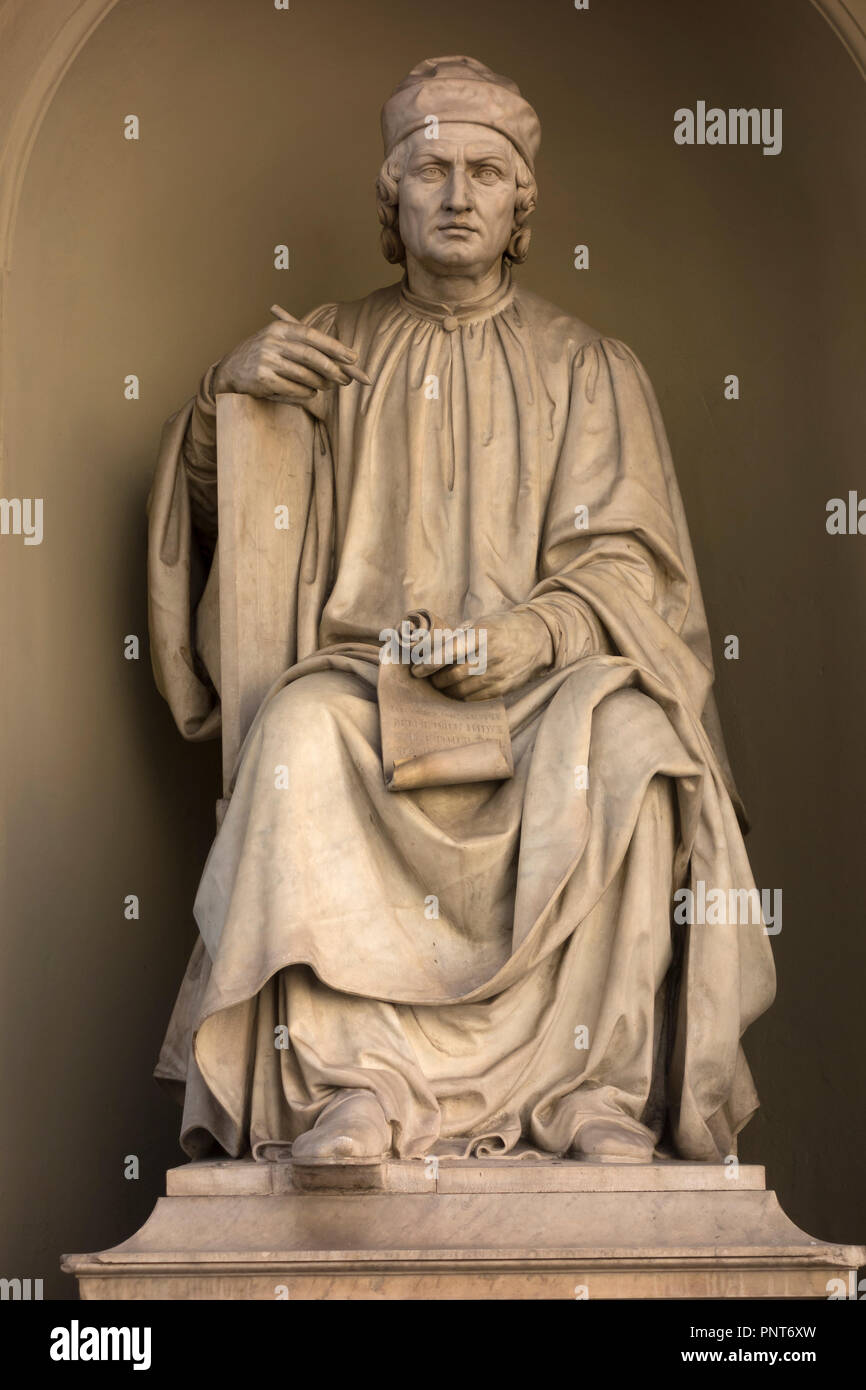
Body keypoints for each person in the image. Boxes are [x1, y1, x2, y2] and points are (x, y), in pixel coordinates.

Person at [147, 55, 775, 1167]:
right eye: (428, 169)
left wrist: (527, 636)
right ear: (390, 196)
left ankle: (590, 1092)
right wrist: (227, 404)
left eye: (485, 172)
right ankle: (357, 1088)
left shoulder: (589, 366)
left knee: (636, 740)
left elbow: (633, 570)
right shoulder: (328, 351)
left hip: (541, 689)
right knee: (297, 735)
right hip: (369, 685)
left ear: (519, 203)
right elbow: (236, 531)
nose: (455, 194)